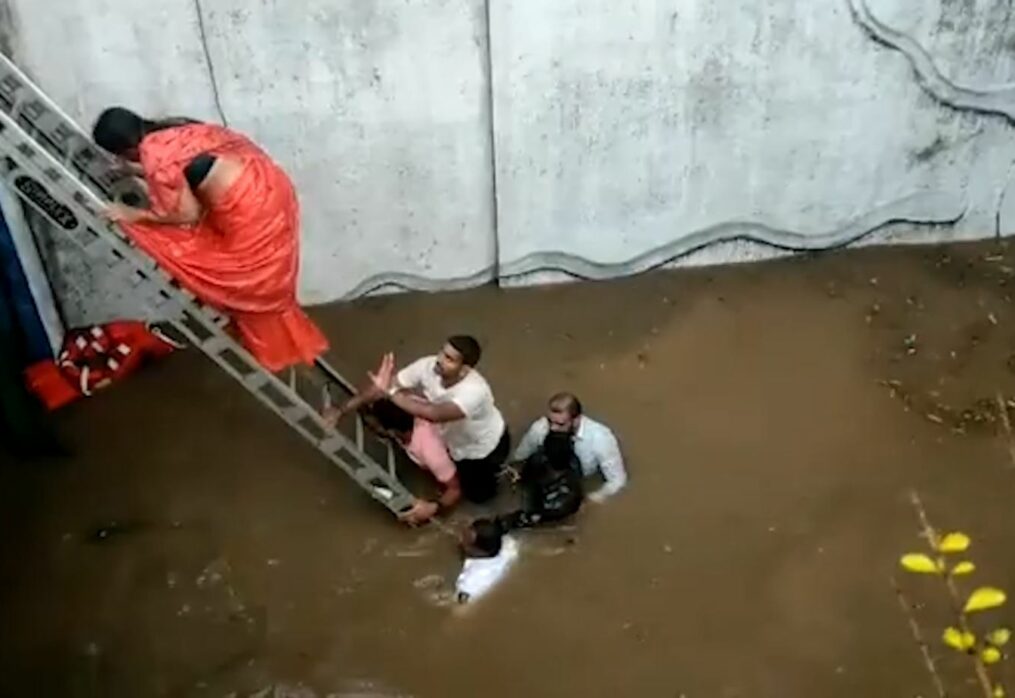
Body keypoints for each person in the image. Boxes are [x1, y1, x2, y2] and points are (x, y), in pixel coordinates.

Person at [91, 107, 328, 372]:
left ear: (124, 151)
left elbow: (185, 214)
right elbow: (186, 168)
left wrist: (133, 215)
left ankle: (267, 338)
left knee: (214, 268)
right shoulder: (172, 128)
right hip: (268, 188)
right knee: (224, 254)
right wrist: (137, 171)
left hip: (248, 214)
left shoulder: (154, 156)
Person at [366, 336, 510, 503]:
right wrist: (342, 409)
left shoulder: (474, 392)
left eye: (449, 359)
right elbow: (387, 385)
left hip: (483, 448)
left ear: (464, 369)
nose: (440, 359)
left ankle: (500, 475)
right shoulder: (428, 366)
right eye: (442, 352)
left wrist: (390, 392)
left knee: (479, 496)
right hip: (456, 444)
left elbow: (433, 414)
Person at [324, 391, 461, 525]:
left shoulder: (431, 451)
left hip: (448, 459)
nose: (369, 427)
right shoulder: (408, 402)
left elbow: (455, 489)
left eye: (374, 426)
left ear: (391, 432)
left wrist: (433, 508)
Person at [512, 392, 627, 503]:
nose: (553, 428)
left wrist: (593, 499)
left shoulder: (601, 438)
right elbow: (519, 457)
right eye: (550, 422)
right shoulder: (540, 428)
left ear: (576, 420)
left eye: (560, 424)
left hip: (577, 483)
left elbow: (617, 480)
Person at [498, 430, 583, 530]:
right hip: (541, 493)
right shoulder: (540, 459)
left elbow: (535, 516)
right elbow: (526, 473)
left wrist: (504, 523)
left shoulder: (562, 500)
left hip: (549, 510)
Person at [454, 518, 519, 605]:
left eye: (466, 539)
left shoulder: (469, 583)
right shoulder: (508, 543)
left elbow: (461, 608)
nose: (460, 539)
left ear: (477, 551)